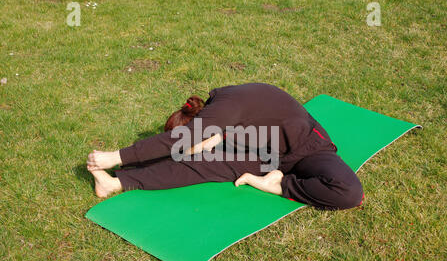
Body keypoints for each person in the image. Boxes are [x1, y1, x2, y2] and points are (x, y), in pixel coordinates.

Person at [87, 83, 364, 210]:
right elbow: (185, 148)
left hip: (307, 149)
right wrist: (124, 168)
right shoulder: (221, 122)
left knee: (348, 192)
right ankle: (116, 183)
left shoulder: (226, 108)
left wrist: (116, 156)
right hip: (263, 153)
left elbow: (176, 142)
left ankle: (276, 184)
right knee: (200, 165)